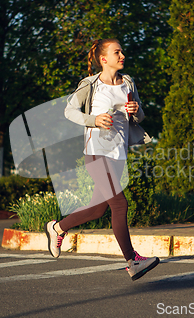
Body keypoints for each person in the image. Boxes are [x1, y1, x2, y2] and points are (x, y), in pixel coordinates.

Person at [44, 38, 159, 281]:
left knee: (98, 209)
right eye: (117, 52)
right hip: (97, 152)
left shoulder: (128, 82)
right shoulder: (90, 84)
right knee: (120, 205)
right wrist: (94, 120)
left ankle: (57, 228)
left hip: (118, 154)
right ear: (103, 59)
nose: (122, 55)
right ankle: (132, 261)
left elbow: (140, 115)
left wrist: (135, 110)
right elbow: (69, 111)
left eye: (122, 51)